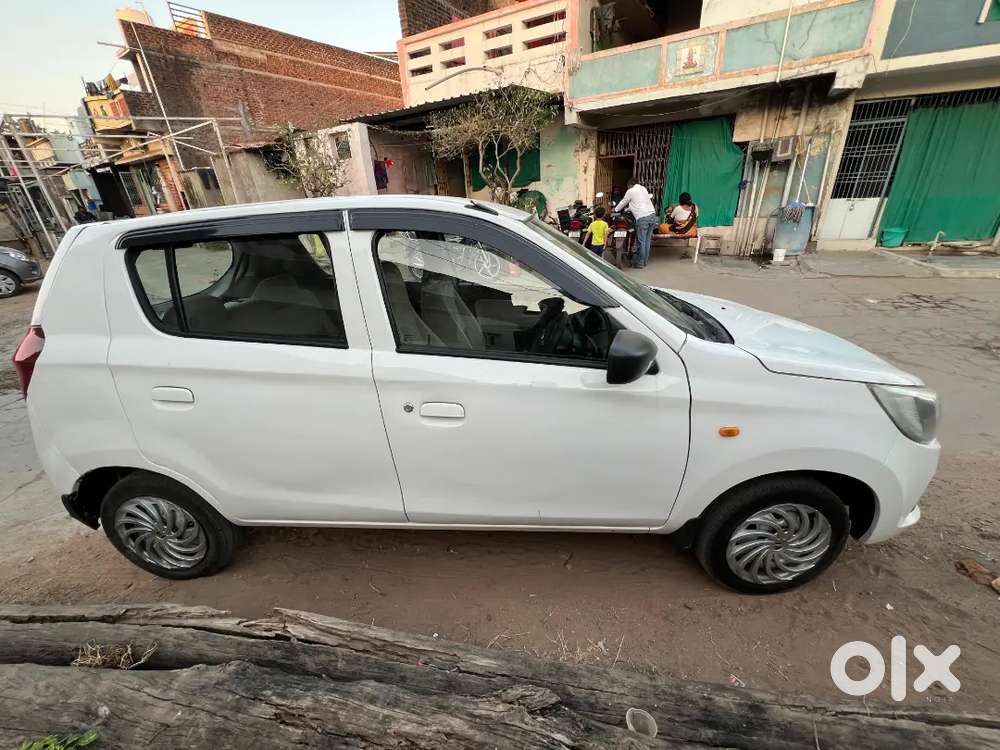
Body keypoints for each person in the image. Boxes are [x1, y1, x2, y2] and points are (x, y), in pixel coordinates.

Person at [615, 178, 657, 268]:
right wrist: (628, 209)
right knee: (647, 241)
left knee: (641, 241)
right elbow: (638, 203)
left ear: (630, 185)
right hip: (652, 216)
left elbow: (624, 201)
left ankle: (640, 263)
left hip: (643, 218)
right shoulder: (643, 189)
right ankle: (644, 261)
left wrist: (615, 209)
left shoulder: (631, 191)